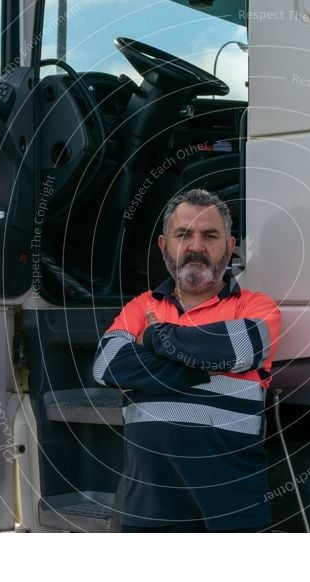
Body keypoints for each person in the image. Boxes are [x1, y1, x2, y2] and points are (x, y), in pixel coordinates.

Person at [93, 189, 281, 532]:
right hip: (148, 508)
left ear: (230, 245)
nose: (196, 246)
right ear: (164, 244)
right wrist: (200, 368)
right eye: (183, 235)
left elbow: (239, 349)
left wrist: (153, 337)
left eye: (210, 235)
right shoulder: (140, 305)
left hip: (231, 510)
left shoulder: (256, 306)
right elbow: (107, 365)